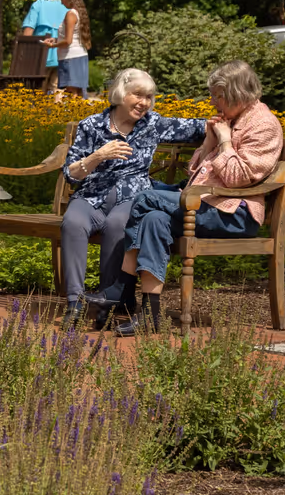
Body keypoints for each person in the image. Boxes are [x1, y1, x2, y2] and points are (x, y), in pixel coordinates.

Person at [89, 60, 283, 335]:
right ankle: (150, 316)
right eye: (213, 94)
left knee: (144, 198)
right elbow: (196, 172)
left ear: (239, 93)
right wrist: (208, 145)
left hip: (233, 213)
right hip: (203, 203)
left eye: (219, 95)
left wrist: (225, 142)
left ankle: (119, 288)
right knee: (154, 220)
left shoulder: (263, 126)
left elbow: (239, 178)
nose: (213, 101)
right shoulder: (231, 119)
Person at [57, 67, 210, 331]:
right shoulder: (91, 125)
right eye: (138, 95)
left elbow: (199, 127)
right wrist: (98, 156)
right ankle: (75, 303)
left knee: (119, 226)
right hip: (91, 195)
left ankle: (108, 301)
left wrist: (234, 122)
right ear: (120, 93)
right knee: (72, 223)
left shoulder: (152, 124)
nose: (144, 103)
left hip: (131, 197)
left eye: (149, 97)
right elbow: (70, 174)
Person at [48, 0, 91, 95]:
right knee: (78, 93)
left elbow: (68, 41)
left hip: (70, 57)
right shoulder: (79, 13)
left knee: (72, 93)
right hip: (79, 56)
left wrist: (54, 45)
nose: (61, 3)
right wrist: (56, 39)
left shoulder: (70, 14)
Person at [19, 0, 68, 76]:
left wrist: (23, 54)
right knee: (57, 88)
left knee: (39, 88)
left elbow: (28, 31)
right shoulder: (66, 6)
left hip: (40, 57)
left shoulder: (39, 4)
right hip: (63, 56)